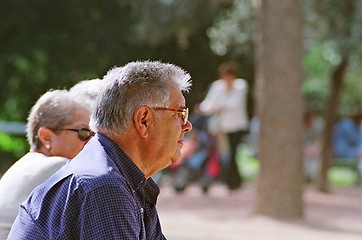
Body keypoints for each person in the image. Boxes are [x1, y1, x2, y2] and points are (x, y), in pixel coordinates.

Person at [8, 60, 193, 239]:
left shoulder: (121, 176)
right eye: (179, 113)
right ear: (143, 120)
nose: (187, 126)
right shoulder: (104, 185)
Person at [0, 89, 94, 239]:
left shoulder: (24, 165)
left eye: (95, 135)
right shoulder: (59, 166)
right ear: (46, 137)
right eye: (84, 133)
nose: (92, 143)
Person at [199, 60, 249, 190]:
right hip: (222, 127)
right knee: (224, 154)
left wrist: (219, 107)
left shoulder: (241, 85)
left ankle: (233, 181)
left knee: (233, 153)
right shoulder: (218, 87)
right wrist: (202, 108)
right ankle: (231, 180)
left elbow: (235, 103)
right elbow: (209, 103)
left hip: (237, 126)